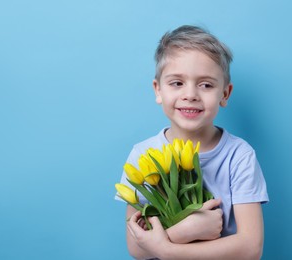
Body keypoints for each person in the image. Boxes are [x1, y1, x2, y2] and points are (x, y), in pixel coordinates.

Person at [115, 25, 269, 259]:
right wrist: (184, 230)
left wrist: (166, 249)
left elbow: (251, 248)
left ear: (225, 94)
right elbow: (136, 248)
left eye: (206, 85)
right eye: (177, 83)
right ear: (158, 90)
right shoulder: (143, 154)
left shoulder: (238, 155)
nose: (191, 95)